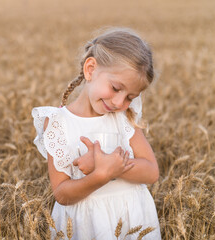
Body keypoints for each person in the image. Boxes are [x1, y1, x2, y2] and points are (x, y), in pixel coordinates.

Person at [32, 27, 161, 240]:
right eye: (116, 88)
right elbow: (62, 193)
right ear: (90, 69)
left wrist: (109, 166)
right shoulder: (57, 123)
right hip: (86, 225)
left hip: (132, 221)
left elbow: (151, 171)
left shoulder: (123, 118)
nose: (120, 103)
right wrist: (101, 175)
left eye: (130, 97)